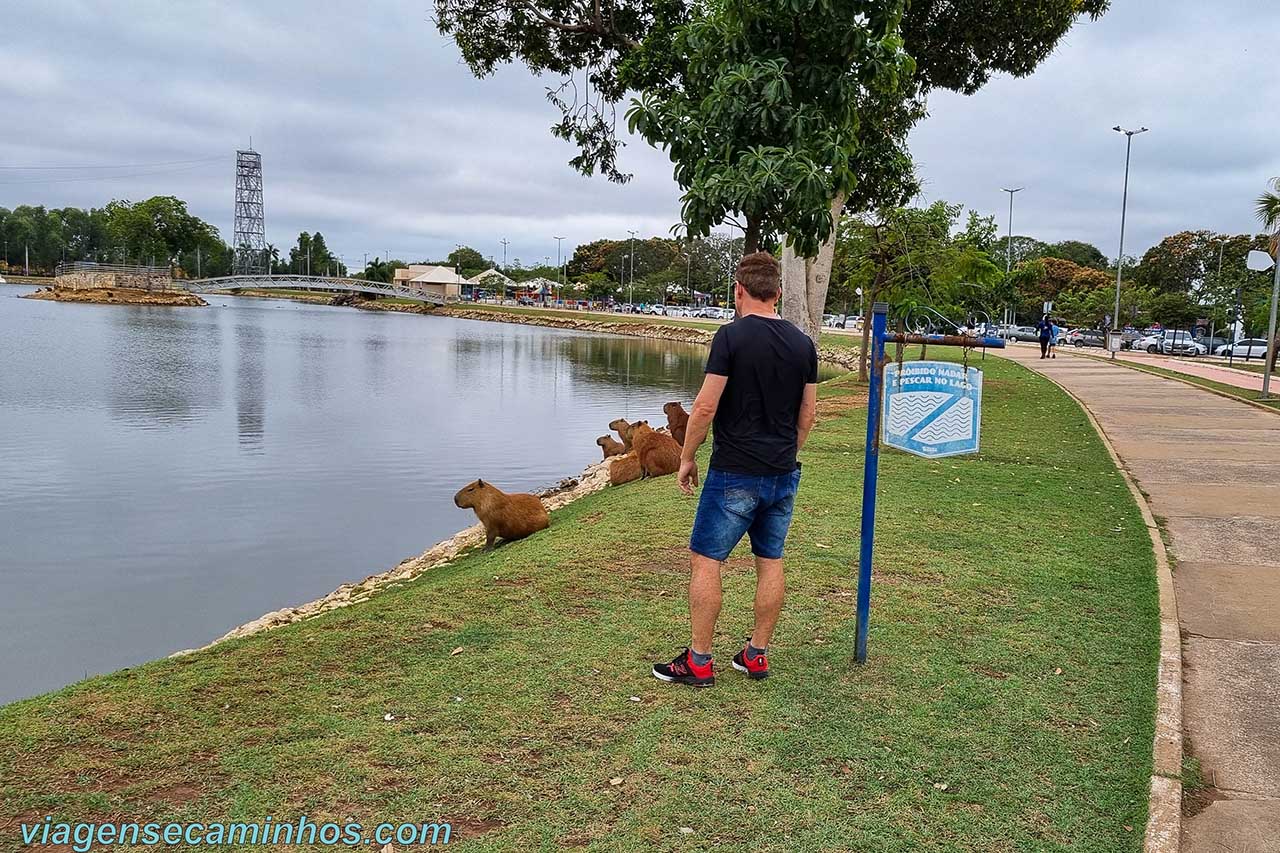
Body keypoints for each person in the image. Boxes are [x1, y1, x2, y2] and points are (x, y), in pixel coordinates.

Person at [651, 251, 818, 688]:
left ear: (738, 291)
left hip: (734, 473)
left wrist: (687, 457)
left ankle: (700, 662)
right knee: (770, 560)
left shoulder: (730, 337)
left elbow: (705, 406)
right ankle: (756, 655)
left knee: (706, 560)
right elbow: (808, 415)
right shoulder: (804, 344)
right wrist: (784, 453)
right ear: (778, 292)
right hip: (783, 472)